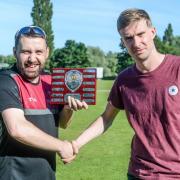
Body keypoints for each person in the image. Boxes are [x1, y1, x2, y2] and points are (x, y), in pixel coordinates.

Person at [65, 8, 180, 179]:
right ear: (123, 42)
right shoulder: (124, 79)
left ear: (153, 32)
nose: (136, 43)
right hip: (140, 173)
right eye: (128, 38)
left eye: (141, 34)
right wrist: (77, 143)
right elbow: (106, 118)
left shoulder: (177, 68)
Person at [0, 25, 88, 180]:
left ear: (47, 53)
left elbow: (62, 123)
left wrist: (68, 108)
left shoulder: (51, 81)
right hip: (14, 174)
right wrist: (61, 146)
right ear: (15, 52)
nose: (32, 59)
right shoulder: (6, 80)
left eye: (38, 52)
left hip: (47, 173)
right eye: (26, 51)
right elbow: (17, 128)